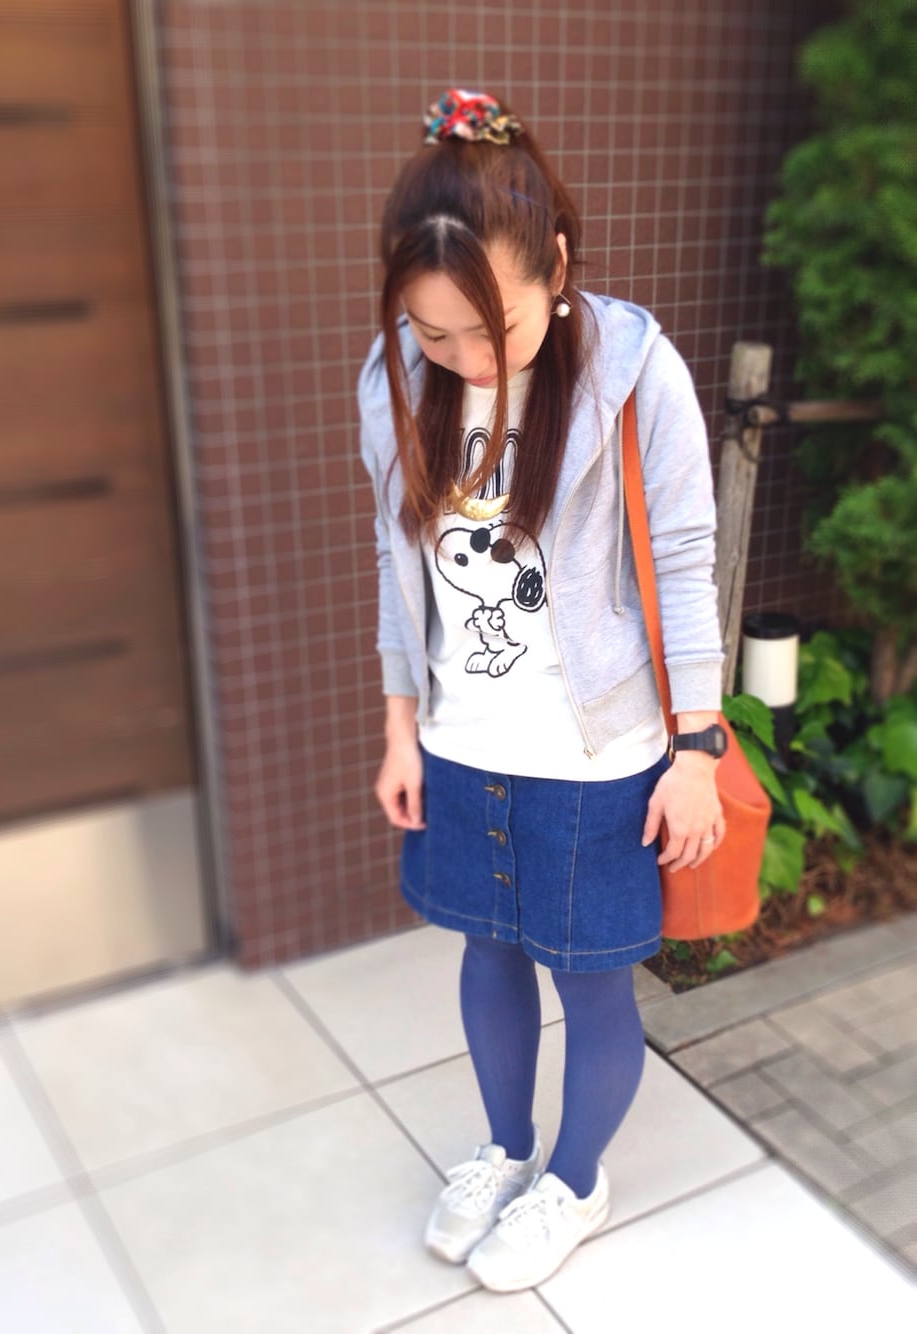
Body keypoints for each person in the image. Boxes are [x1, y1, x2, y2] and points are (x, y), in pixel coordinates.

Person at [358, 88, 726, 1293]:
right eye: (434, 333)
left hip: (596, 753)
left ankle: (573, 1175)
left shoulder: (632, 371)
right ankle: (506, 1147)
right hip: (463, 741)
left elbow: (683, 558)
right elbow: (397, 564)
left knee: (590, 969)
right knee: (485, 950)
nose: (466, 359)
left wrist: (696, 749)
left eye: (492, 330)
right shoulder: (392, 380)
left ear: (556, 267)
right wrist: (400, 726)